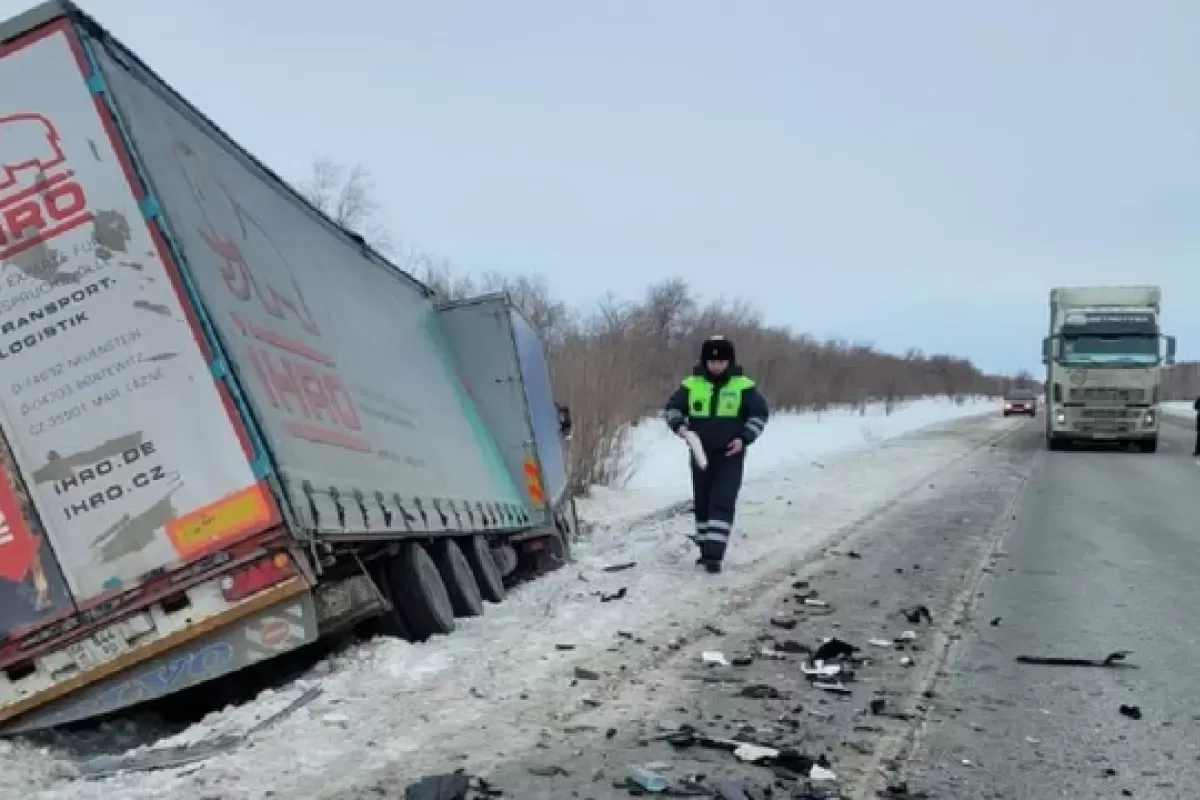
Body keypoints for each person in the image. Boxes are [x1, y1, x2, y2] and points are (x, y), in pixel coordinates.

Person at [663, 335, 769, 573]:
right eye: (712, 361)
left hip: (730, 454)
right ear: (705, 361)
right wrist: (680, 427)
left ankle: (714, 555)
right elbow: (672, 408)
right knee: (702, 503)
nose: (717, 366)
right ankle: (705, 550)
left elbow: (759, 415)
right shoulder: (692, 384)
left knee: (722, 501)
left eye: (721, 361)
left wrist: (744, 439)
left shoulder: (743, 386)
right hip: (700, 453)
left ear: (729, 361)